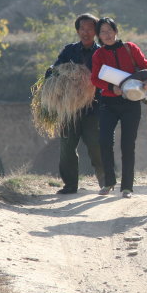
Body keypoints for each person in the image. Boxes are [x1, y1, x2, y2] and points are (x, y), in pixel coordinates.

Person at [90, 17, 147, 198]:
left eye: (109, 30)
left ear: (116, 31)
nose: (107, 34)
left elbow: (146, 66)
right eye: (102, 32)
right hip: (109, 102)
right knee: (104, 141)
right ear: (99, 35)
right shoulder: (99, 54)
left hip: (131, 101)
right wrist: (111, 88)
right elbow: (95, 78)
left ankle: (127, 187)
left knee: (127, 144)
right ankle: (108, 182)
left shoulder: (130, 48)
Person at [46, 13, 105, 194]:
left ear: (95, 31)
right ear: (77, 30)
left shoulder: (101, 52)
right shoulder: (69, 51)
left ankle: (105, 181)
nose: (85, 32)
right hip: (69, 109)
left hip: (93, 108)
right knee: (67, 147)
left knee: (95, 145)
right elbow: (55, 71)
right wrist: (52, 73)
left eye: (89, 29)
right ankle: (70, 185)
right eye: (82, 29)